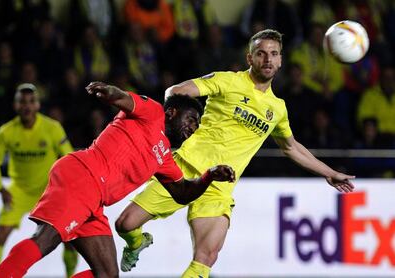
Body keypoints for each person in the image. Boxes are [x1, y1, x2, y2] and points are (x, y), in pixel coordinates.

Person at [115, 29, 355, 278]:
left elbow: (291, 147)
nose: (268, 60)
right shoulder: (228, 80)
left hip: (219, 186)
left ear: (281, 60)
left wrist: (330, 173)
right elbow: (175, 92)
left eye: (274, 54)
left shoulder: (277, 109)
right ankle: (136, 242)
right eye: (261, 54)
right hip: (183, 170)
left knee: (205, 259)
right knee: (125, 224)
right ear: (249, 58)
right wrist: (187, 123)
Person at [0, 82, 235, 278]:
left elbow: (182, 192)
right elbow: (126, 100)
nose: (194, 127)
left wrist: (208, 176)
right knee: (45, 240)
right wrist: (111, 93)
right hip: (83, 176)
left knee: (106, 274)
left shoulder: (164, 157)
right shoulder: (153, 113)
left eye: (197, 124)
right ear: (172, 112)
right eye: (191, 119)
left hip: (94, 198)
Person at [0, 83, 78, 278]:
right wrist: (1, 189)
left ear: (37, 105)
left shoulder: (52, 128)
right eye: (22, 102)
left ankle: (70, 275)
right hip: (19, 191)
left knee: (69, 236)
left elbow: (69, 156)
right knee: (0, 235)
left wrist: (66, 187)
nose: (26, 106)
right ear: (15, 105)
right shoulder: (6, 132)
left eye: (31, 101)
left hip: (49, 191)